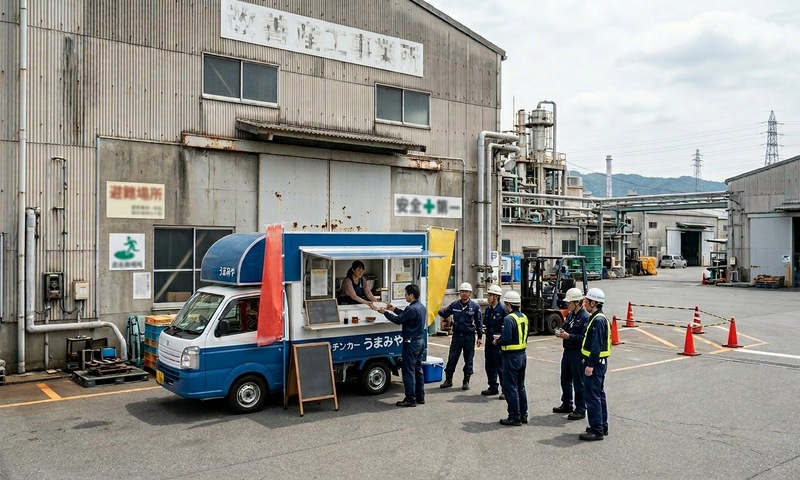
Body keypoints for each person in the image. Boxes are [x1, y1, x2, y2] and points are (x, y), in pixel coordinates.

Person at [379, 284, 427, 407]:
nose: (405, 296)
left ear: (411, 295)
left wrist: (385, 312)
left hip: (411, 343)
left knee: (408, 371)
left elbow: (399, 320)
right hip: (420, 341)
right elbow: (405, 315)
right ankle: (420, 396)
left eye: (406, 294)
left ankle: (410, 398)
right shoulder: (421, 307)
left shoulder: (412, 309)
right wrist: (393, 309)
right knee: (418, 369)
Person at [579, 287, 611, 441]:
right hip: (599, 363)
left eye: (586, 301)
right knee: (599, 395)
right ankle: (601, 425)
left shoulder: (598, 320)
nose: (584, 303)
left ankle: (596, 429)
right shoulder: (598, 318)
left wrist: (590, 365)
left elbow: (596, 346)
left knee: (592, 397)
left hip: (595, 364)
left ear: (593, 302)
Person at [553, 288, 589, 420]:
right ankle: (567, 403)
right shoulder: (570, 315)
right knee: (565, 379)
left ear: (578, 303)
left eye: (570, 303)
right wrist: (562, 332)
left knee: (578, 382)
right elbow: (567, 328)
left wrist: (569, 336)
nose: (568, 305)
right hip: (567, 351)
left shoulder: (585, 317)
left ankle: (580, 409)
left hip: (577, 353)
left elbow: (583, 338)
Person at [438, 282, 482, 390]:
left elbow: (479, 322)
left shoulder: (475, 307)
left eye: (466, 292)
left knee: (468, 359)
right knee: (452, 358)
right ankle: (448, 380)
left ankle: (466, 381)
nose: (464, 294)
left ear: (470, 293)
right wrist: (436, 309)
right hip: (457, 336)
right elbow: (445, 313)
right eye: (462, 292)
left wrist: (480, 337)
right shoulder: (455, 305)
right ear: (460, 293)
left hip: (469, 337)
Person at [496, 290, 529, 426]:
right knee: (520, 386)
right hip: (522, 355)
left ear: (508, 304)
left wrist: (497, 341)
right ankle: (523, 414)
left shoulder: (509, 319)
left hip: (511, 356)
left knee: (510, 387)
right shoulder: (524, 317)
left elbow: (507, 338)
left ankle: (514, 416)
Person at [480, 285, 506, 398]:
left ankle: (505, 390)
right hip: (489, 340)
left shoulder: (503, 310)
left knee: (500, 366)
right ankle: (493, 387)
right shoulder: (488, 310)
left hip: (498, 342)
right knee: (489, 364)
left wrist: (500, 339)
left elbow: (506, 327)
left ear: (496, 297)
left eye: (490, 295)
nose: (488, 297)